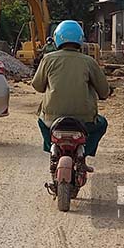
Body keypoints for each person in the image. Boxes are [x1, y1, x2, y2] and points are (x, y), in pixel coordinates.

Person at [31, 20, 109, 165]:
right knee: (102, 123)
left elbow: (38, 86)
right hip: (85, 120)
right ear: (80, 39)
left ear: (57, 38)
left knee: (41, 121)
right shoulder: (89, 61)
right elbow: (104, 92)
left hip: (52, 120)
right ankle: (84, 153)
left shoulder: (48, 59)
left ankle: (52, 150)